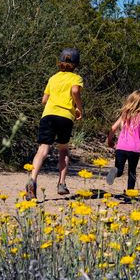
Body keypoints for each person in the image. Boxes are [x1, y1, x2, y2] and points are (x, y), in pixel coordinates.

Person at [26, 48, 83, 200]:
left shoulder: (53, 78)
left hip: (48, 115)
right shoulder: (76, 78)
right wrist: (79, 107)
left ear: (60, 62)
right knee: (63, 150)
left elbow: (44, 100)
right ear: (76, 64)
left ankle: (32, 179)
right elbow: (76, 91)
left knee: (43, 149)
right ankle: (61, 184)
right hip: (65, 116)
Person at [106, 91, 140, 190]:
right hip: (134, 149)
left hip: (121, 147)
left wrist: (109, 140)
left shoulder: (124, 115)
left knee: (119, 170)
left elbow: (113, 128)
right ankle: (130, 194)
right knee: (132, 172)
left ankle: (114, 172)